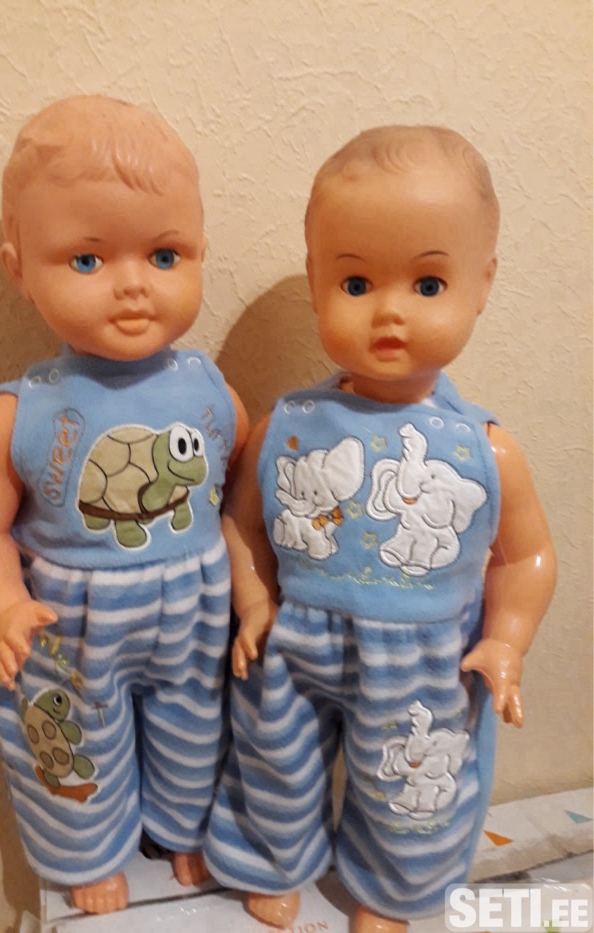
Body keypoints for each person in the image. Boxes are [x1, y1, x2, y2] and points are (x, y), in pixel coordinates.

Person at [204, 125, 556, 932]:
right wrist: (254, 602)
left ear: (482, 284)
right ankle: (270, 855)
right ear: (316, 281)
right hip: (297, 636)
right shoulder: (287, 425)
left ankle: (390, 892)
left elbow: (528, 555)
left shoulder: (484, 448)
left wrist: (507, 640)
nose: (390, 311)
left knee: (413, 790)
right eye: (356, 281)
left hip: (423, 657)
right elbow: (245, 524)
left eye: (428, 283)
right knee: (273, 758)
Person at [0, 95, 247, 915]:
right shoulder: (23, 410)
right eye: (87, 260)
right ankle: (87, 851)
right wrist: (4, 605)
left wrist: (251, 577)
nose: (132, 286)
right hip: (69, 623)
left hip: (194, 608)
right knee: (67, 738)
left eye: (165, 254)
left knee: (198, 722)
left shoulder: (209, 389)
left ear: (200, 251)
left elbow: (242, 479)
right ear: (20, 269)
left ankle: (186, 828)